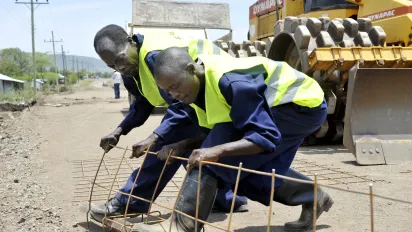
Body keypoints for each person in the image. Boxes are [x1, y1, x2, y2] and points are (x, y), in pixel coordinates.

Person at [130, 47, 334, 232]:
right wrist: (181, 145)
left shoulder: (231, 83)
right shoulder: (193, 92)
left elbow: (265, 136)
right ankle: (314, 196)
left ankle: (182, 225)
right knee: (245, 177)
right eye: (168, 91)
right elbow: (210, 133)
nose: (173, 95)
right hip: (279, 108)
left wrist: (215, 151)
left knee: (216, 155)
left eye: (175, 86)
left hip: (301, 105)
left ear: (192, 69)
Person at [90, 24, 248, 220]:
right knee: (187, 150)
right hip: (199, 97)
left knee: (164, 145)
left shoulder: (153, 57)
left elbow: (180, 106)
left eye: (120, 59)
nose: (119, 67)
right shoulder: (130, 71)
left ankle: (132, 201)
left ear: (131, 42)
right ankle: (225, 199)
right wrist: (119, 130)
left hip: (226, 88)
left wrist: (154, 137)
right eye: (112, 66)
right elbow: (142, 104)